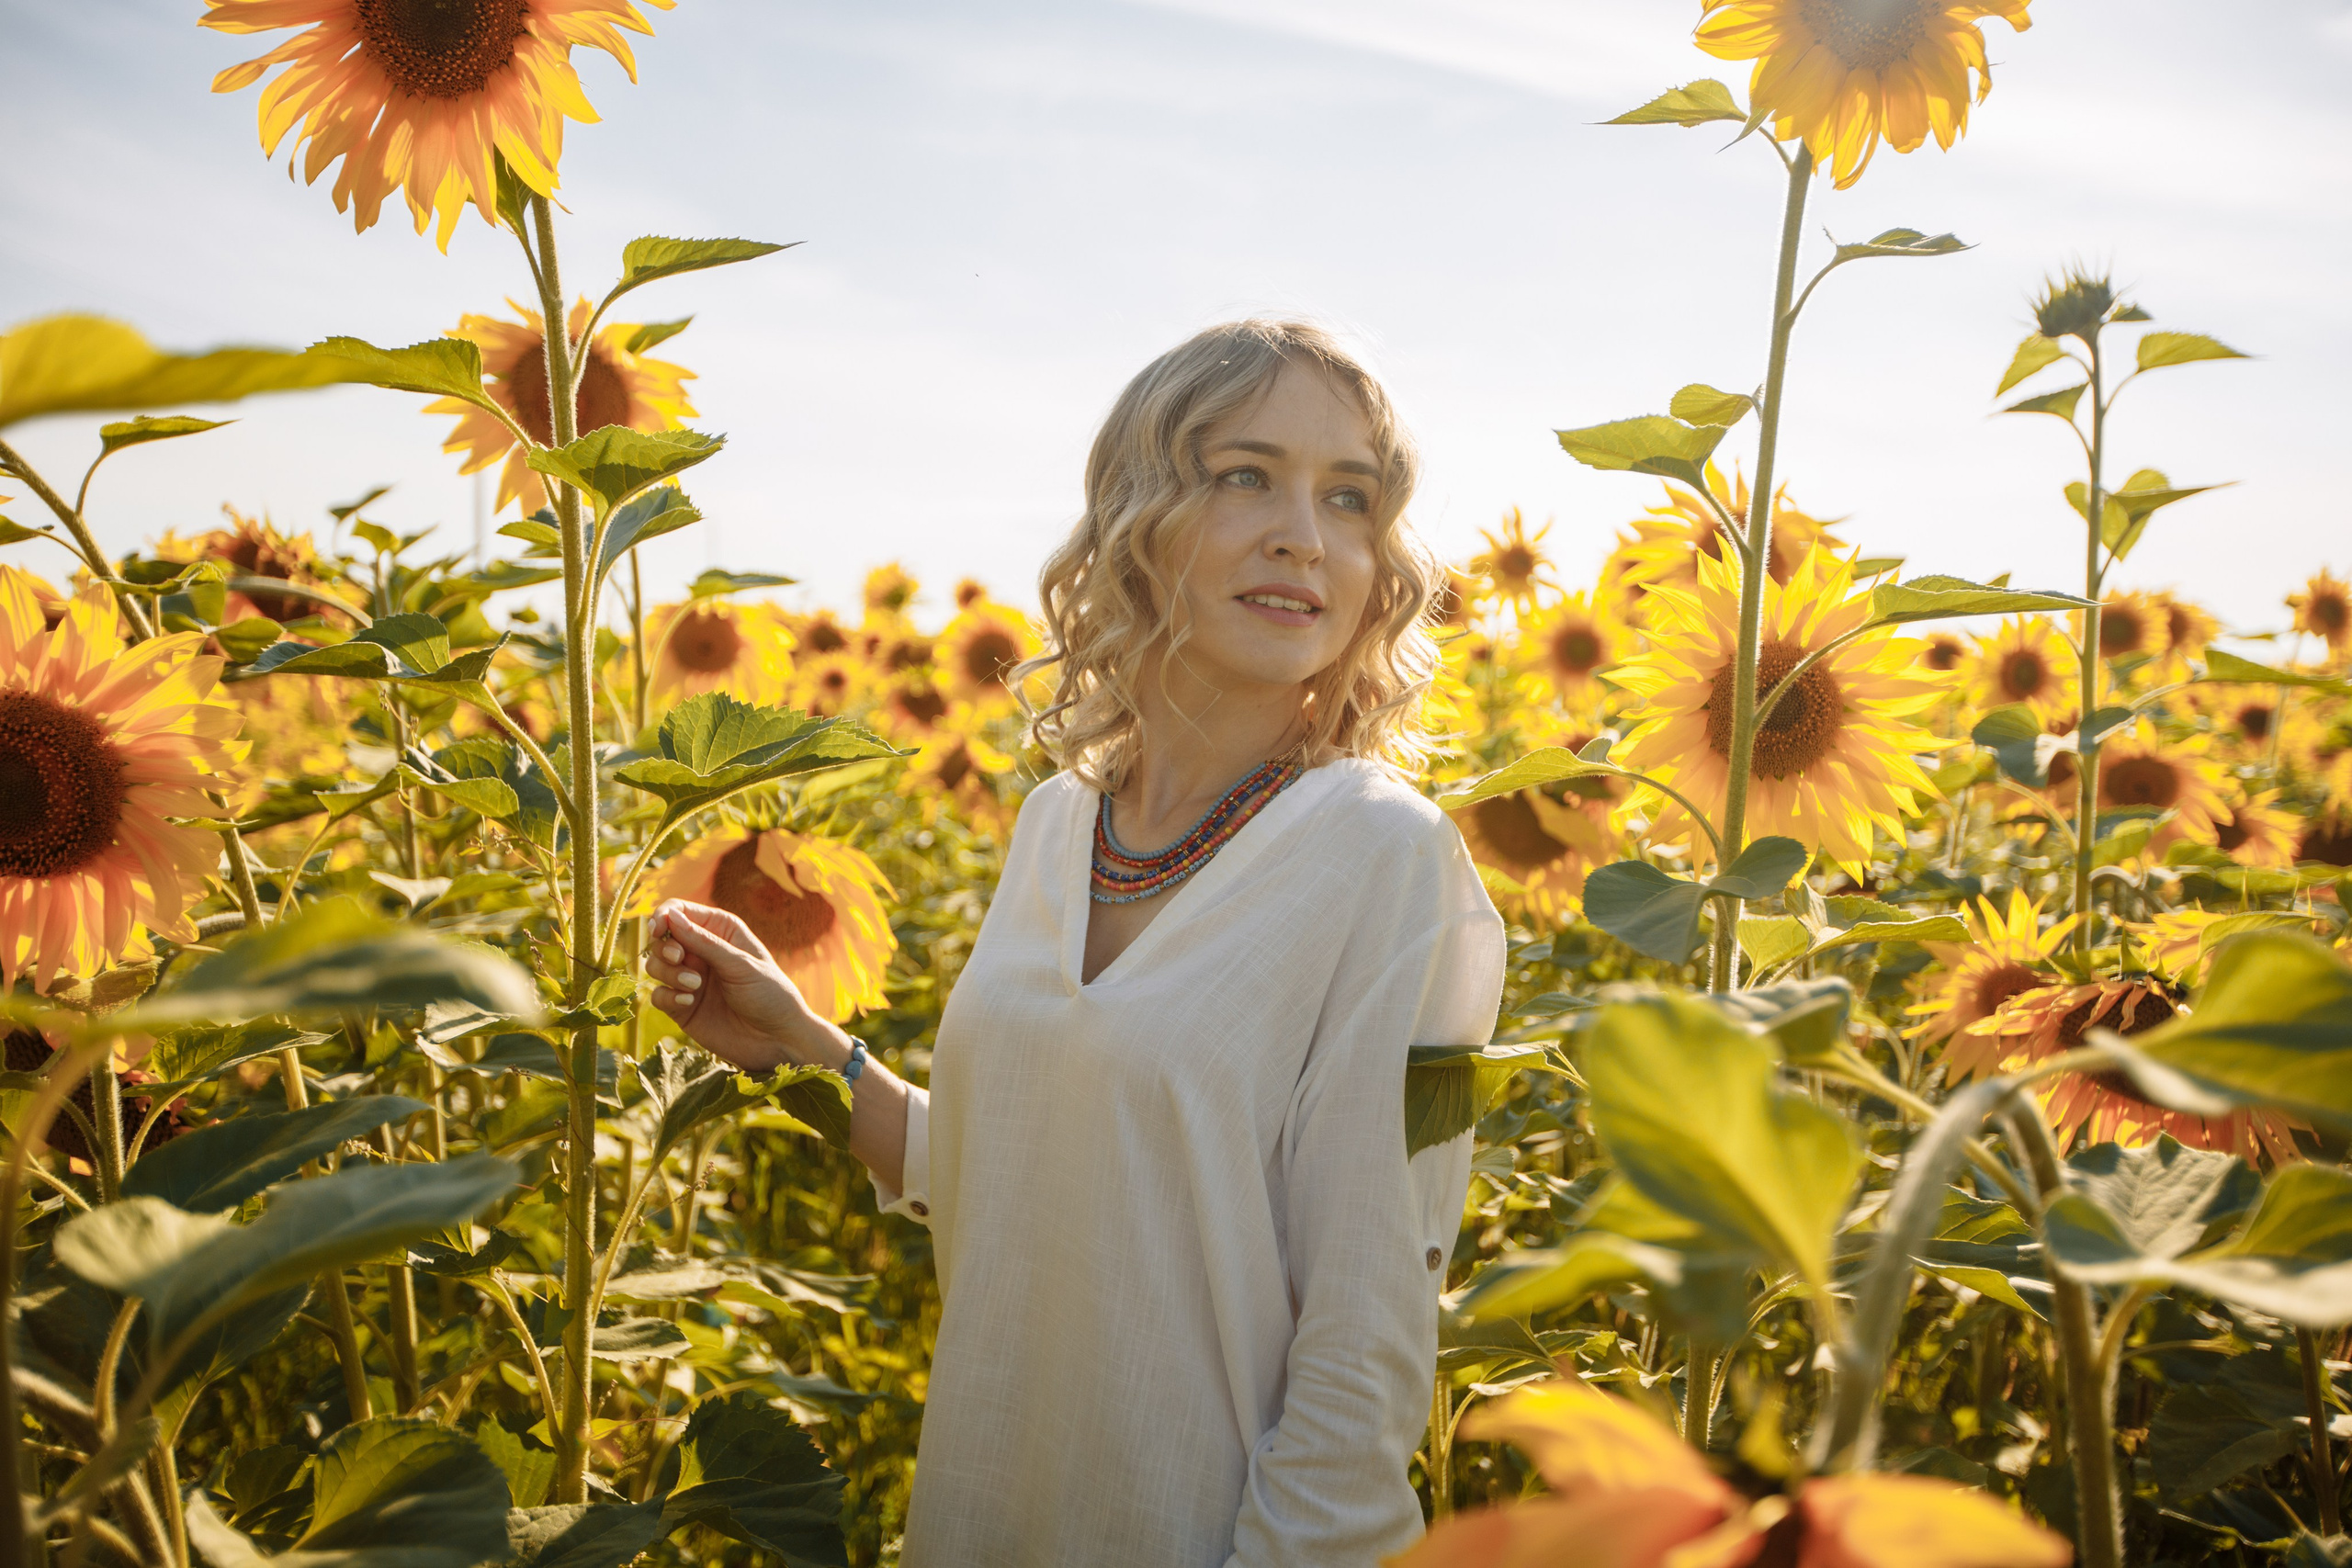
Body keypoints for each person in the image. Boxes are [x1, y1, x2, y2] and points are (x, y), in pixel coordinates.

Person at [645, 319, 1507, 1566]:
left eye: (1351, 499)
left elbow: (1364, 1346)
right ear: (1136, 518)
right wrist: (811, 1050)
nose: (1304, 538)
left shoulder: (1382, 858)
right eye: (1245, 474)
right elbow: (1039, 1182)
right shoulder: (1061, 827)